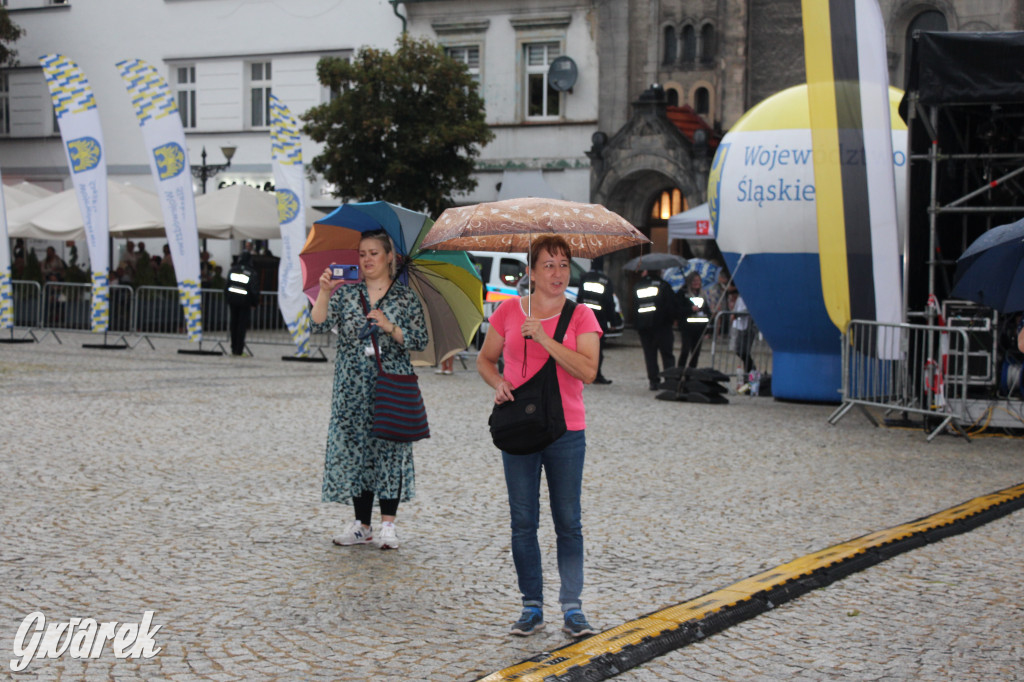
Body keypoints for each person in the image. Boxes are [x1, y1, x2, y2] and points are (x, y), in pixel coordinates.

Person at [476, 235, 602, 639]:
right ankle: (531, 605)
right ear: (530, 272)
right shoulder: (508, 312)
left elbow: (588, 371)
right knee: (522, 521)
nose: (558, 273)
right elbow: (484, 359)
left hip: (567, 430)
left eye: (564, 264)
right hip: (519, 427)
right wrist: (497, 383)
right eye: (548, 265)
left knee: (568, 522)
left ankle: (573, 607)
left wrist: (545, 339)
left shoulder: (582, 316)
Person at [310, 229, 428, 551]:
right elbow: (318, 325)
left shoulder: (405, 297)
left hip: (390, 384)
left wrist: (390, 327)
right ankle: (363, 525)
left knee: (390, 452)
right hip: (351, 387)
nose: (367, 260)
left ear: (390, 257)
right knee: (357, 453)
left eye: (374, 253)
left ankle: (388, 525)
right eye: (362, 254)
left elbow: (419, 340)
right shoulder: (347, 295)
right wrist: (323, 293)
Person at [632, 269, 676, 390]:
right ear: (659, 272)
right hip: (662, 326)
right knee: (667, 355)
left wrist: (638, 324)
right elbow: (670, 307)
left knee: (650, 355)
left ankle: (654, 381)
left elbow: (635, 305)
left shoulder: (638, 285)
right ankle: (669, 380)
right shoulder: (664, 285)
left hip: (644, 327)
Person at [577, 258, 618, 384]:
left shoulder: (584, 277)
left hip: (584, 318)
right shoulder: (605, 280)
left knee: (583, 348)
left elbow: (579, 298)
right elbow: (609, 303)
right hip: (599, 320)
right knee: (598, 349)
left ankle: (582, 372)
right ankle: (596, 375)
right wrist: (613, 321)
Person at [224, 251, 260, 356]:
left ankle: (233, 347)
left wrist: (227, 299)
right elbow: (254, 289)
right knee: (241, 326)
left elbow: (227, 286)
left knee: (233, 325)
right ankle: (239, 349)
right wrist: (254, 303)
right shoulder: (251, 272)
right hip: (245, 303)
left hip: (233, 301)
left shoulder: (233, 270)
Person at [675, 271, 710, 369]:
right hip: (687, 327)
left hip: (699, 327)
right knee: (685, 350)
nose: (696, 283)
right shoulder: (683, 293)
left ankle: (691, 371)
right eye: (694, 281)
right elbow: (678, 309)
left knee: (696, 352)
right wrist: (690, 309)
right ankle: (680, 370)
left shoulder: (702, 294)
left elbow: (707, 310)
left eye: (698, 280)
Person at [728, 287, 756, 375]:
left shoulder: (749, 297)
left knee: (744, 351)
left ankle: (751, 371)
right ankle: (750, 371)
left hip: (747, 326)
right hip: (739, 326)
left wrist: (735, 315)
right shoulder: (739, 298)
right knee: (739, 350)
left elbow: (748, 310)